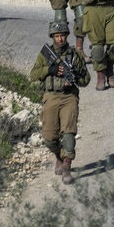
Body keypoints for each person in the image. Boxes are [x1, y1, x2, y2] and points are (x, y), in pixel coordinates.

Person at [30, 20, 90, 184]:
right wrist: (50, 70)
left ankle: (66, 168)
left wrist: (77, 75)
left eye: (62, 35)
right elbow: (33, 74)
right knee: (49, 137)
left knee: (69, 134)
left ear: (66, 36)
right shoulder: (45, 54)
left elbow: (86, 80)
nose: (60, 39)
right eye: (57, 36)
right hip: (50, 96)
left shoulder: (74, 55)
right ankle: (58, 156)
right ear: (52, 37)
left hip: (69, 97)